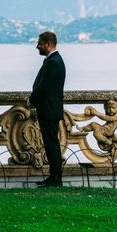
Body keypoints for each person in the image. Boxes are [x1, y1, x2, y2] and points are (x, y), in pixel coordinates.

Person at [28, 31, 66, 187]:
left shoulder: (53, 62)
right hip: (50, 109)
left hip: (49, 109)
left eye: (40, 43)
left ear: (48, 44)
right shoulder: (53, 60)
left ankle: (56, 178)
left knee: (52, 145)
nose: (37, 46)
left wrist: (31, 99)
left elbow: (44, 87)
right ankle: (53, 176)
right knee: (51, 144)